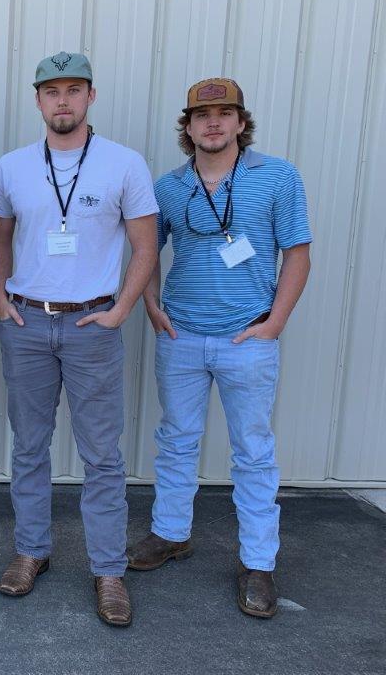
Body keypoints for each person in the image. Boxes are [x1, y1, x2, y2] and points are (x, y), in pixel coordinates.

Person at [128, 78, 311, 619]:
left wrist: (274, 323)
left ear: (240, 121)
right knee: (177, 439)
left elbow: (297, 255)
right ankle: (170, 532)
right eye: (201, 115)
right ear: (187, 126)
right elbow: (147, 250)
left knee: (253, 450)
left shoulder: (277, 177)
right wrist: (151, 304)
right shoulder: (168, 187)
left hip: (247, 336)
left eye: (224, 113)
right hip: (181, 335)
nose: (213, 123)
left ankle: (258, 563)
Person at [0, 51, 158, 626]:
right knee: (29, 446)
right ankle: (31, 552)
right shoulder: (12, 166)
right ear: (37, 100)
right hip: (29, 323)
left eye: (73, 90)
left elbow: (145, 247)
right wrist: (2, 299)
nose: (63, 101)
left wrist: (121, 311)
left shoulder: (123, 164)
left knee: (101, 455)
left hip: (93, 325)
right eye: (51, 91)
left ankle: (109, 570)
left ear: (91, 96)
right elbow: (1, 239)